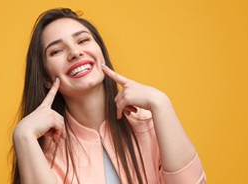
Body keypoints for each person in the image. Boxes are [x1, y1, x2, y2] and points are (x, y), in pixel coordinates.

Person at [11, 8, 206, 184]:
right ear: (45, 78)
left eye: (83, 40)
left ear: (101, 54)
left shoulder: (150, 123)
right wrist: (23, 136)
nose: (75, 52)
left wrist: (161, 103)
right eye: (57, 51)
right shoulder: (43, 151)